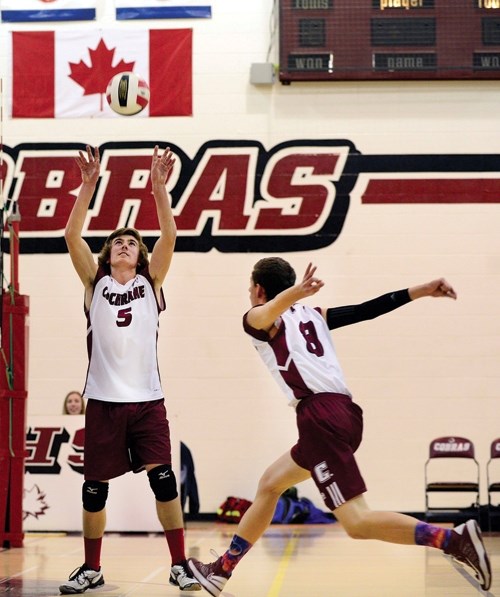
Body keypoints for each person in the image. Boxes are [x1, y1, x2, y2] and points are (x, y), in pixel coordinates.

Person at [188, 258, 492, 595]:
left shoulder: (258, 319)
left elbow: (266, 312)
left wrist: (294, 293)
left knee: (357, 523)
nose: (249, 292)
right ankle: (222, 570)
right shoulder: (313, 316)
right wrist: (419, 291)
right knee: (271, 484)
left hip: (320, 416)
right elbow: (368, 309)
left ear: (258, 289)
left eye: (250, 286)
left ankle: (453, 540)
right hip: (344, 414)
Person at [59, 145, 200, 594]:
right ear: (108, 255)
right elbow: (71, 235)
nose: (124, 244)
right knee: (94, 490)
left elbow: (170, 236)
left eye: (131, 242)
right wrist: (87, 186)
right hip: (102, 400)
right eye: (117, 241)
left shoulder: (150, 283)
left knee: (163, 480)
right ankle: (92, 568)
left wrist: (159, 189)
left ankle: (179, 564)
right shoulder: (94, 282)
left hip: (146, 401)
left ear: (140, 257)